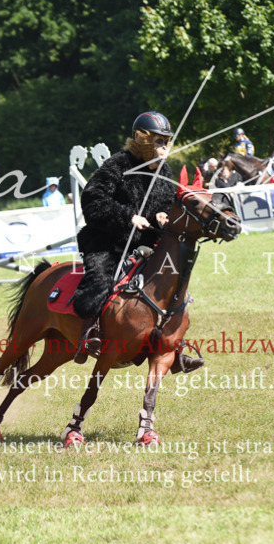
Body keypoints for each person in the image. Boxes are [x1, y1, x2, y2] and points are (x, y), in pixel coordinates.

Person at [73, 111, 190, 366]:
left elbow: (166, 203)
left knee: (172, 284)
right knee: (102, 280)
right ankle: (87, 336)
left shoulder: (164, 169)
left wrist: (162, 216)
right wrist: (128, 217)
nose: (165, 147)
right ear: (143, 140)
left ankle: (174, 347)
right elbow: (92, 201)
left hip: (145, 243)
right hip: (105, 240)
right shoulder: (118, 165)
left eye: (167, 141)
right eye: (159, 141)